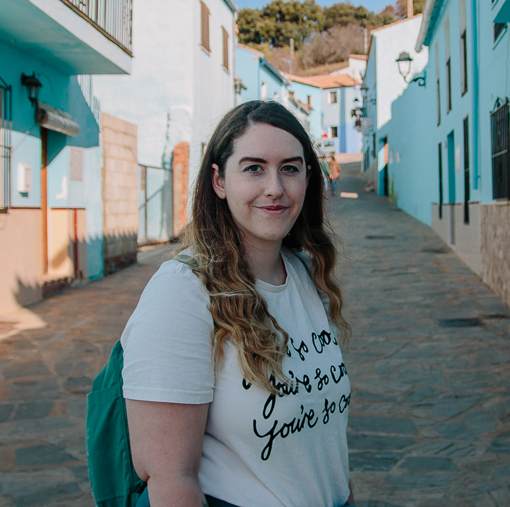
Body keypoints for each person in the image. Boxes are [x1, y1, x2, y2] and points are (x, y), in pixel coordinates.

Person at [120, 101, 354, 507]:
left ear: (308, 178)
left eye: (290, 168)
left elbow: (324, 445)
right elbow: (170, 480)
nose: (275, 188)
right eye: (253, 168)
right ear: (219, 181)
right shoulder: (182, 294)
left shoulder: (303, 274)